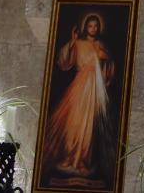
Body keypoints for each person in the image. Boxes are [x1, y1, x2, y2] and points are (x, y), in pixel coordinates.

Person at [43, 12, 117, 178]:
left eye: (96, 26)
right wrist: (72, 41)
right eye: (90, 25)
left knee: (89, 127)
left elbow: (110, 68)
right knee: (73, 123)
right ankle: (70, 158)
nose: (93, 28)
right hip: (79, 86)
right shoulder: (78, 43)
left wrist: (105, 59)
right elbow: (64, 61)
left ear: (99, 28)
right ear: (85, 27)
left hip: (93, 90)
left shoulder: (100, 45)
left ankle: (82, 161)